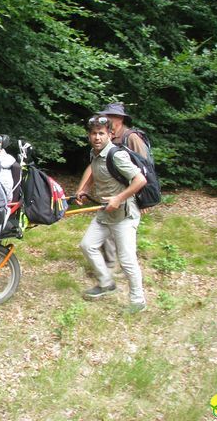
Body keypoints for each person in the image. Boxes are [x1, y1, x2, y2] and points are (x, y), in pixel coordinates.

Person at [76, 115, 147, 314]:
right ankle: (106, 283)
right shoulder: (94, 153)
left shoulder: (117, 155)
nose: (97, 137)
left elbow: (140, 180)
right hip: (105, 213)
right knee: (87, 245)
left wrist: (118, 198)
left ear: (110, 134)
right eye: (93, 133)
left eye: (101, 133)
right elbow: (96, 173)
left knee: (126, 259)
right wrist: (86, 189)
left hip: (124, 215)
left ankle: (138, 300)